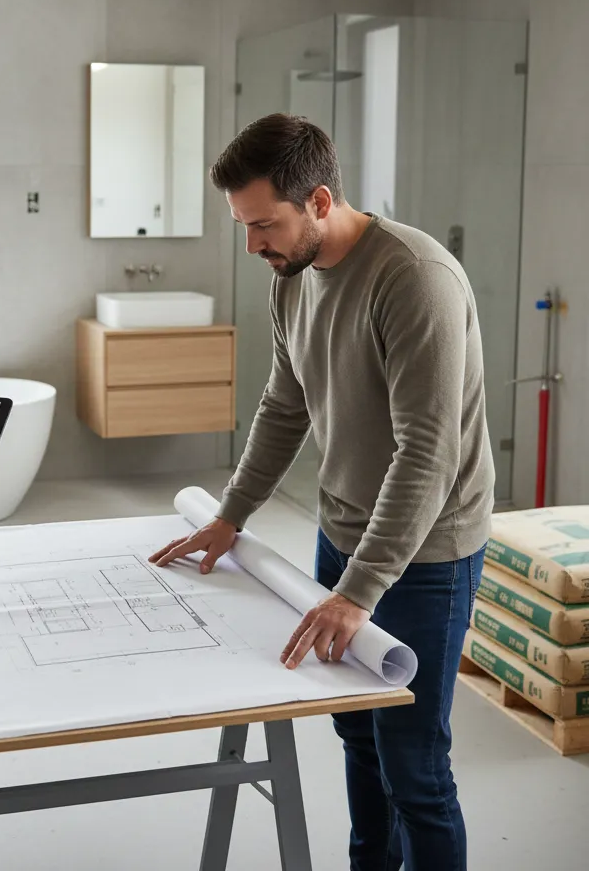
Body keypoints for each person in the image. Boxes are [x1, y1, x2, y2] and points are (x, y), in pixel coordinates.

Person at [150, 113, 493, 871]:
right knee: (357, 737)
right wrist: (231, 516)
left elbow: (426, 455)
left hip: (426, 552)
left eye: (263, 224)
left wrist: (358, 591)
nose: (253, 245)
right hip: (341, 531)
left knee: (414, 766)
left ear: (319, 200)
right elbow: (285, 404)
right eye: (242, 225)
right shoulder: (293, 279)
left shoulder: (415, 280)